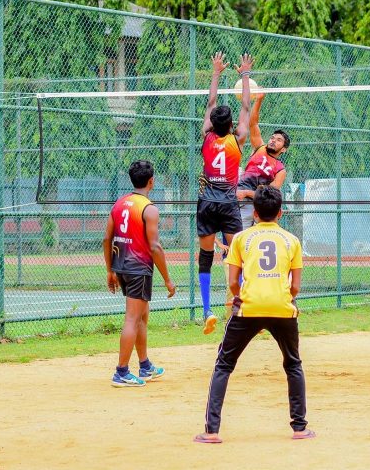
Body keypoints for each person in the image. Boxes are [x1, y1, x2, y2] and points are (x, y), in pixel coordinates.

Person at [194, 185, 314, 444]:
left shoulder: (241, 238)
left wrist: (240, 295)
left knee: (224, 364)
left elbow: (233, 282)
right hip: (282, 308)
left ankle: (211, 431)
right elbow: (295, 286)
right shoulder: (291, 240)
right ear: (280, 213)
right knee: (293, 364)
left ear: (255, 213)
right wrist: (285, 298)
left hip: (248, 308)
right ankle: (300, 427)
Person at [104, 160, 177, 387]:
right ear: (151, 181)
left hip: (122, 266)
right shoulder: (149, 208)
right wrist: (168, 279)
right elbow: (155, 247)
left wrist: (110, 270)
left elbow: (107, 239)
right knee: (133, 319)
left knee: (142, 316)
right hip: (138, 269)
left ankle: (145, 366)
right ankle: (121, 372)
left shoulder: (119, 204)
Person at [197, 52, 253, 335]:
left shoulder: (207, 136)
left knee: (206, 256)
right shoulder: (238, 138)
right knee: (238, 255)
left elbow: (211, 103)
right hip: (229, 202)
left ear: (212, 123)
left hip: (207, 202)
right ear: (231, 125)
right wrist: (245, 74)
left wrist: (216, 73)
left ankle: (207, 310)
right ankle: (240, 307)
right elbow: (246, 105)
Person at [235, 92, 290, 231]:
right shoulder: (260, 147)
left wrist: (247, 193)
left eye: (279, 140)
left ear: (284, 149)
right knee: (233, 236)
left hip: (258, 205)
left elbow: (269, 195)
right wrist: (259, 99)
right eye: (272, 138)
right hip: (239, 197)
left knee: (254, 237)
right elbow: (253, 123)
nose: (273, 140)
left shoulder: (280, 169)